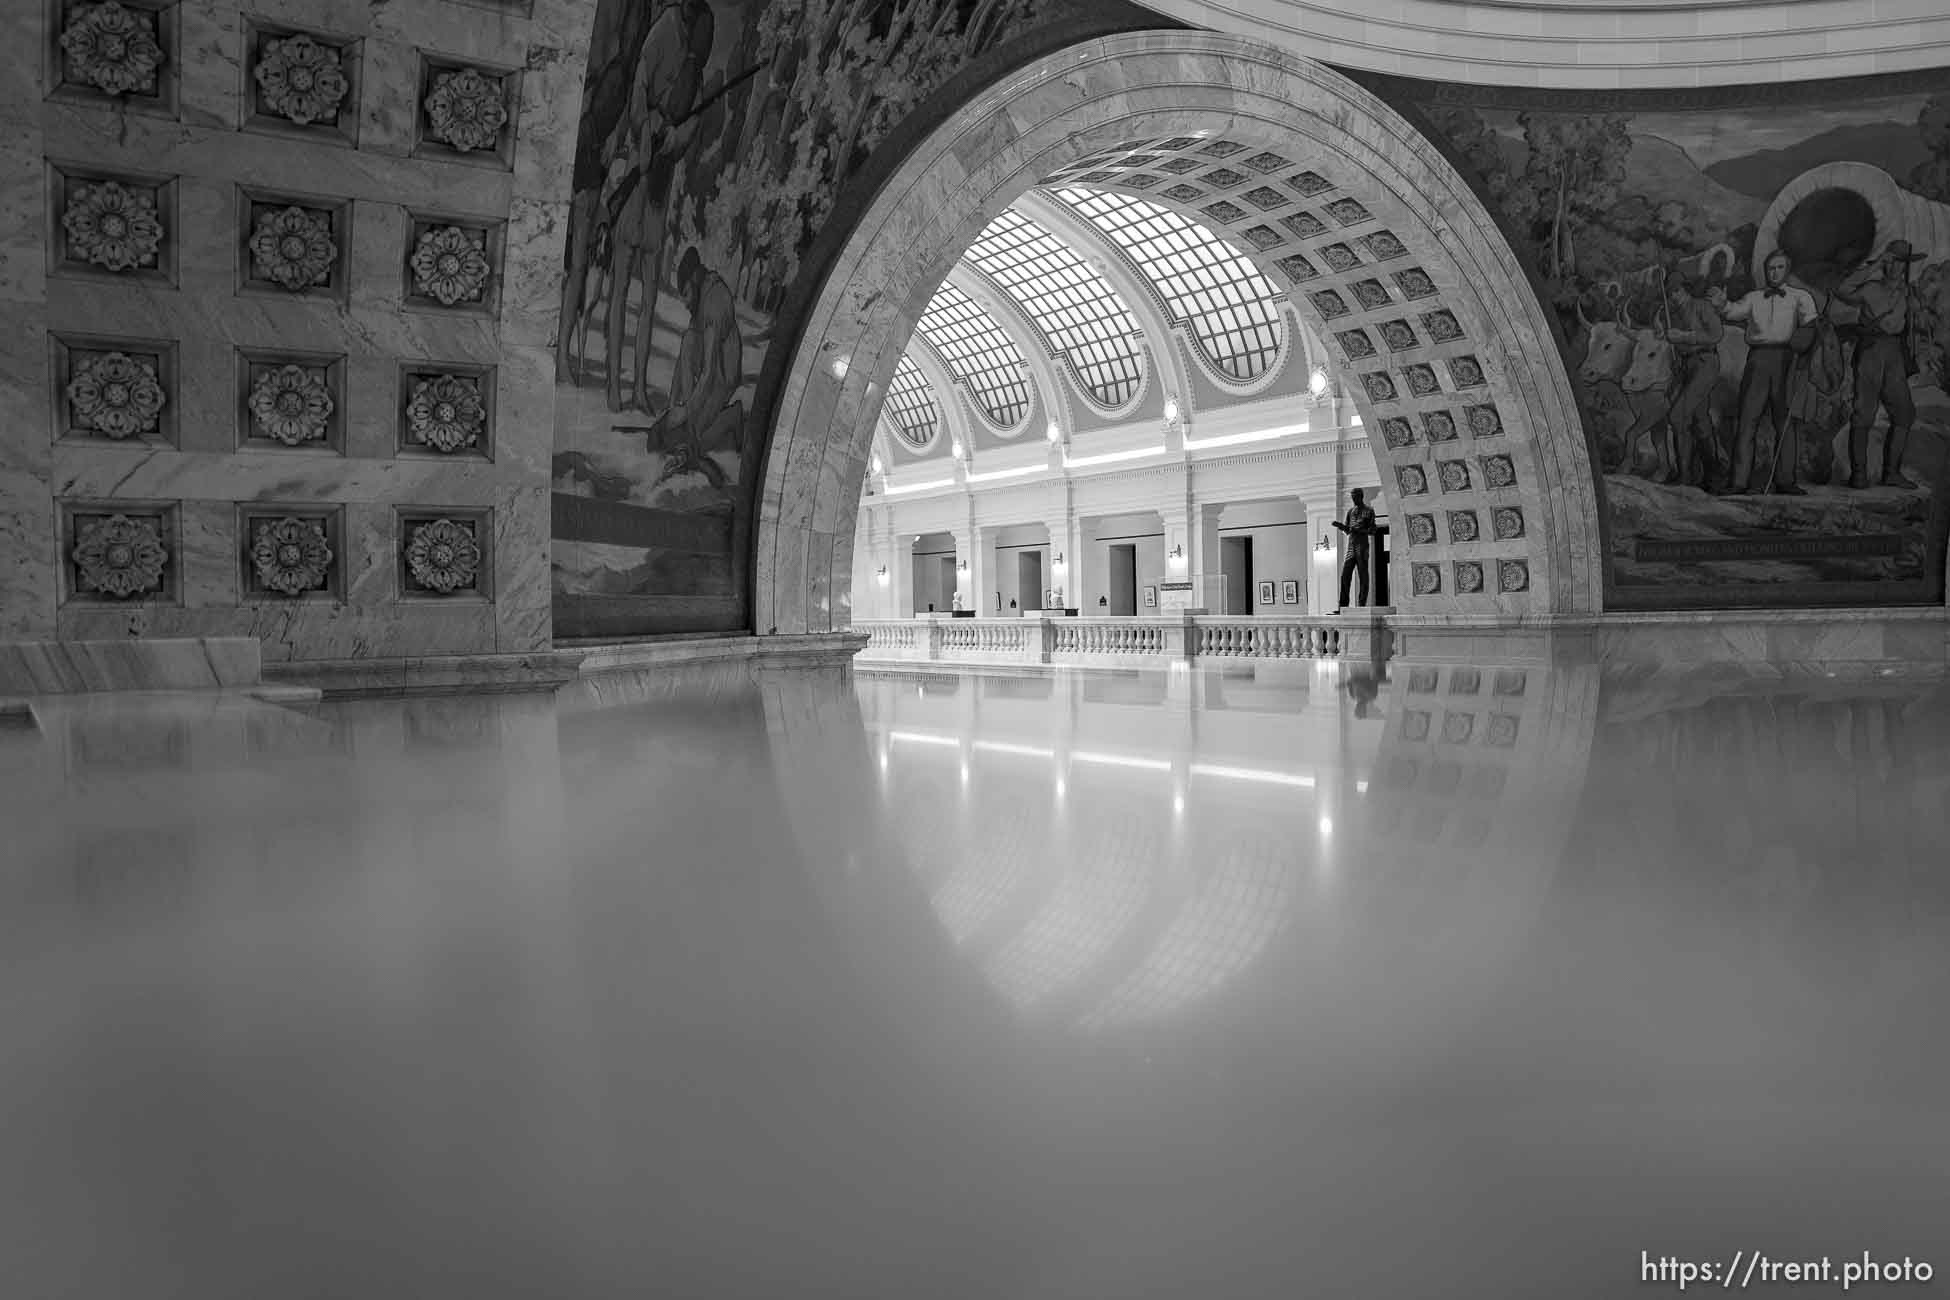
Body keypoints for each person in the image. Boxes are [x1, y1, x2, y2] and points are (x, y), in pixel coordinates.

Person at [1708, 249, 1820, 495]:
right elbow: (1732, 311)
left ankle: (1786, 481)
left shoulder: (1801, 297)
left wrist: (1802, 343)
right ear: (1765, 271)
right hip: (1757, 360)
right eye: (1771, 268)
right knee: (1747, 420)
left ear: (1787, 270)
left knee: (1785, 421)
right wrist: (1720, 304)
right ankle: (1739, 482)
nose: (1775, 272)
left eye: (1780, 268)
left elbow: (1811, 326)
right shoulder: (1754, 298)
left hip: (1786, 360)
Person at [1832, 239, 1927, 488]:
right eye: (1892, 261)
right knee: (1863, 413)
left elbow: (1916, 323)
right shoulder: (1870, 288)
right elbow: (1841, 290)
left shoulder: (1909, 292)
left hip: (1894, 353)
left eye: (1901, 263)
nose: (1896, 267)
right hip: (1871, 351)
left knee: (1904, 413)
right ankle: (1859, 474)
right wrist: (1872, 267)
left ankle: (1891, 473)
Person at [1658, 268, 1724, 487]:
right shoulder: (1673, 315)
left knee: (1677, 416)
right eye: (1670, 293)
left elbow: (1716, 335)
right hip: (1686, 366)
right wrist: (1673, 343)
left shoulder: (1702, 306)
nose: (1673, 296)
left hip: (1706, 363)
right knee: (1700, 421)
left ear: (1685, 289)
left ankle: (1684, 475)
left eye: (1676, 291)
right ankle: (1713, 475)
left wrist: (1683, 336)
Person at [1332, 488, 1378, 608]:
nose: (1353, 500)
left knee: (1363, 575)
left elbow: (1372, 530)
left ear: (1361, 497)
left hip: (1362, 546)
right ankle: (1343, 606)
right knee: (1345, 575)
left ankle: (1361, 605)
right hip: (1351, 546)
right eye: (1352, 498)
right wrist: (1341, 526)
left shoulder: (1369, 511)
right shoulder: (1351, 511)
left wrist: (1358, 530)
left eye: (1355, 497)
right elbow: (1348, 530)